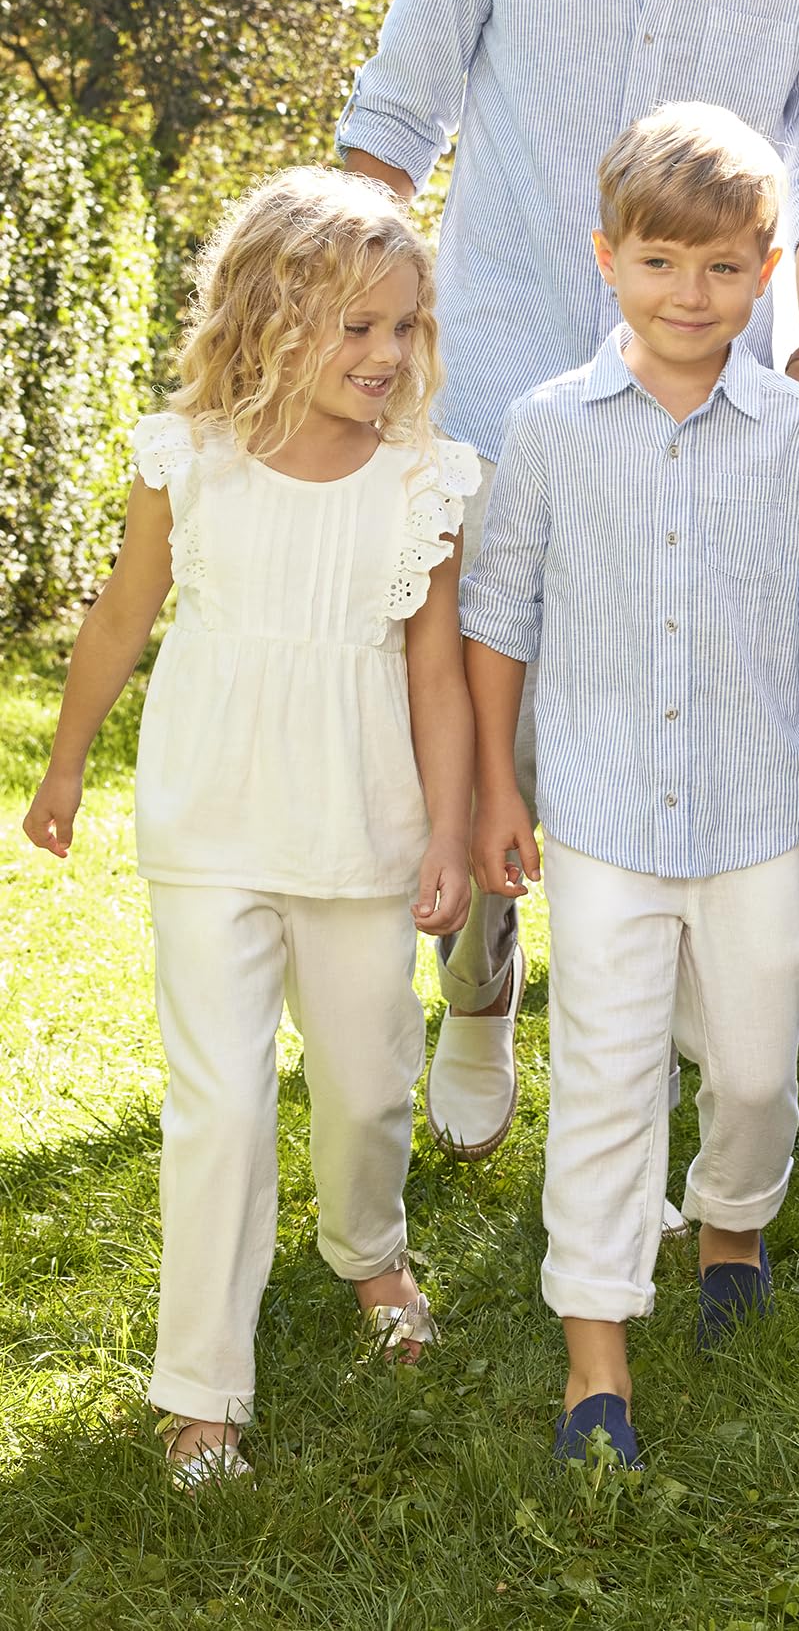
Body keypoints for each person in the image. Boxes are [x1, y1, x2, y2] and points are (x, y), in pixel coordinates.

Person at [337, 0, 799, 1167]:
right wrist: (347, 346)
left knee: (676, 713)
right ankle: (479, 985)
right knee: (474, 726)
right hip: (490, 395)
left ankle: (676, 1034)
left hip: (708, 421)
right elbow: (393, 127)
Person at [460, 104, 799, 1465]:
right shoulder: (547, 428)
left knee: (756, 1064)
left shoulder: (798, 435)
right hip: (600, 817)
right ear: (607, 258)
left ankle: (730, 1222)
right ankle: (594, 1366)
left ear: (765, 272)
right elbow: (498, 617)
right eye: (659, 262)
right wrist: (495, 788)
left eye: (722, 266)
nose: (689, 293)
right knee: (603, 1077)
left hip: (754, 816)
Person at [21, 170, 479, 1484]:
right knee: (218, 1103)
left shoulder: (425, 484)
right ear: (270, 320)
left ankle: (368, 1252)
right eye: (356, 326)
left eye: (403, 325)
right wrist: (65, 766)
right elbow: (122, 614)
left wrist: (448, 832)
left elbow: (437, 675)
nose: (385, 353)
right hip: (210, 820)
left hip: (360, 826)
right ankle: (203, 1391)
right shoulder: (189, 461)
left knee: (367, 1080)